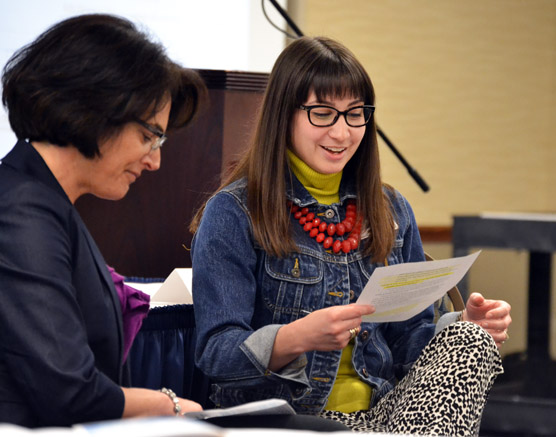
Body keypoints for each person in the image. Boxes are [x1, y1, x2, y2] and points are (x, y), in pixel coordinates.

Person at [189, 36, 512, 436]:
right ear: (283, 115)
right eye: (322, 113)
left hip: (387, 417)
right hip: (291, 419)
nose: (342, 133)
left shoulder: (391, 209)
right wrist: (294, 338)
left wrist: (461, 325)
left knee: (470, 339)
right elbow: (215, 353)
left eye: (355, 114)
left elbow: (409, 343)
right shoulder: (235, 211)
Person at [0, 14, 207, 427]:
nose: (155, 160)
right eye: (150, 135)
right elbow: (70, 392)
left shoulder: (44, 202)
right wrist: (173, 406)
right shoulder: (20, 210)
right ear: (96, 107)